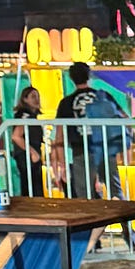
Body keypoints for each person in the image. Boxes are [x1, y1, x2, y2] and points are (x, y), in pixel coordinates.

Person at [55, 61, 130, 199]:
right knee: (115, 190)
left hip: (81, 151)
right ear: (89, 76)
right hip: (104, 149)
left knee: (85, 195)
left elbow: (59, 135)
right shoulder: (103, 96)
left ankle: (91, 220)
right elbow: (124, 118)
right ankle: (125, 219)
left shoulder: (66, 103)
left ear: (71, 79)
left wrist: (63, 164)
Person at [9, 85, 47, 198]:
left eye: (37, 96)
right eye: (33, 96)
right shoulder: (24, 115)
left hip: (31, 153)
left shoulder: (32, 116)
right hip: (26, 155)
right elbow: (16, 136)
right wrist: (32, 152)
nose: (37, 99)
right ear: (25, 99)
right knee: (31, 186)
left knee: (34, 185)